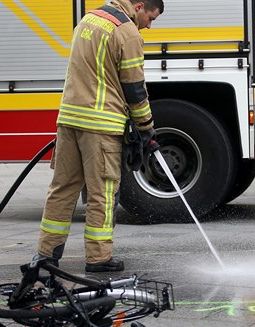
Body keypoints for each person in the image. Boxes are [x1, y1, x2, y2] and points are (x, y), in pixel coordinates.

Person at [37, 0, 164, 273]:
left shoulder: (89, 19)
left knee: (62, 189)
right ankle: (98, 258)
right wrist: (146, 128)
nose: (149, 25)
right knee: (103, 193)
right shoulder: (127, 32)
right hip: (101, 125)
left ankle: (46, 255)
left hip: (69, 119)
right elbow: (134, 88)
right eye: (150, 17)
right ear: (139, 5)